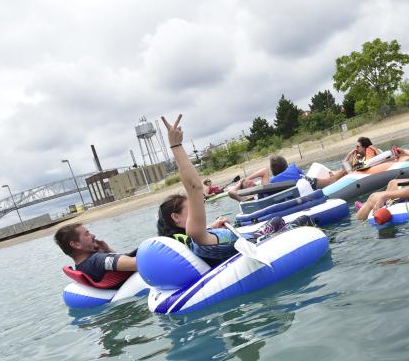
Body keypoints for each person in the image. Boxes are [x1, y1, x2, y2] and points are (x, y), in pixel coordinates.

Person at [161, 115, 293, 267]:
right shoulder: (195, 235)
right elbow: (194, 187)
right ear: (176, 217)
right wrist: (176, 145)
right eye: (190, 207)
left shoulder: (195, 239)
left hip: (250, 237)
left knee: (277, 220)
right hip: (258, 239)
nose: (197, 207)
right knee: (295, 221)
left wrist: (211, 227)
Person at [54, 223, 137, 284]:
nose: (93, 235)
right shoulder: (97, 261)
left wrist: (107, 251)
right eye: (87, 234)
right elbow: (138, 263)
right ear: (76, 244)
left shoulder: (82, 266)